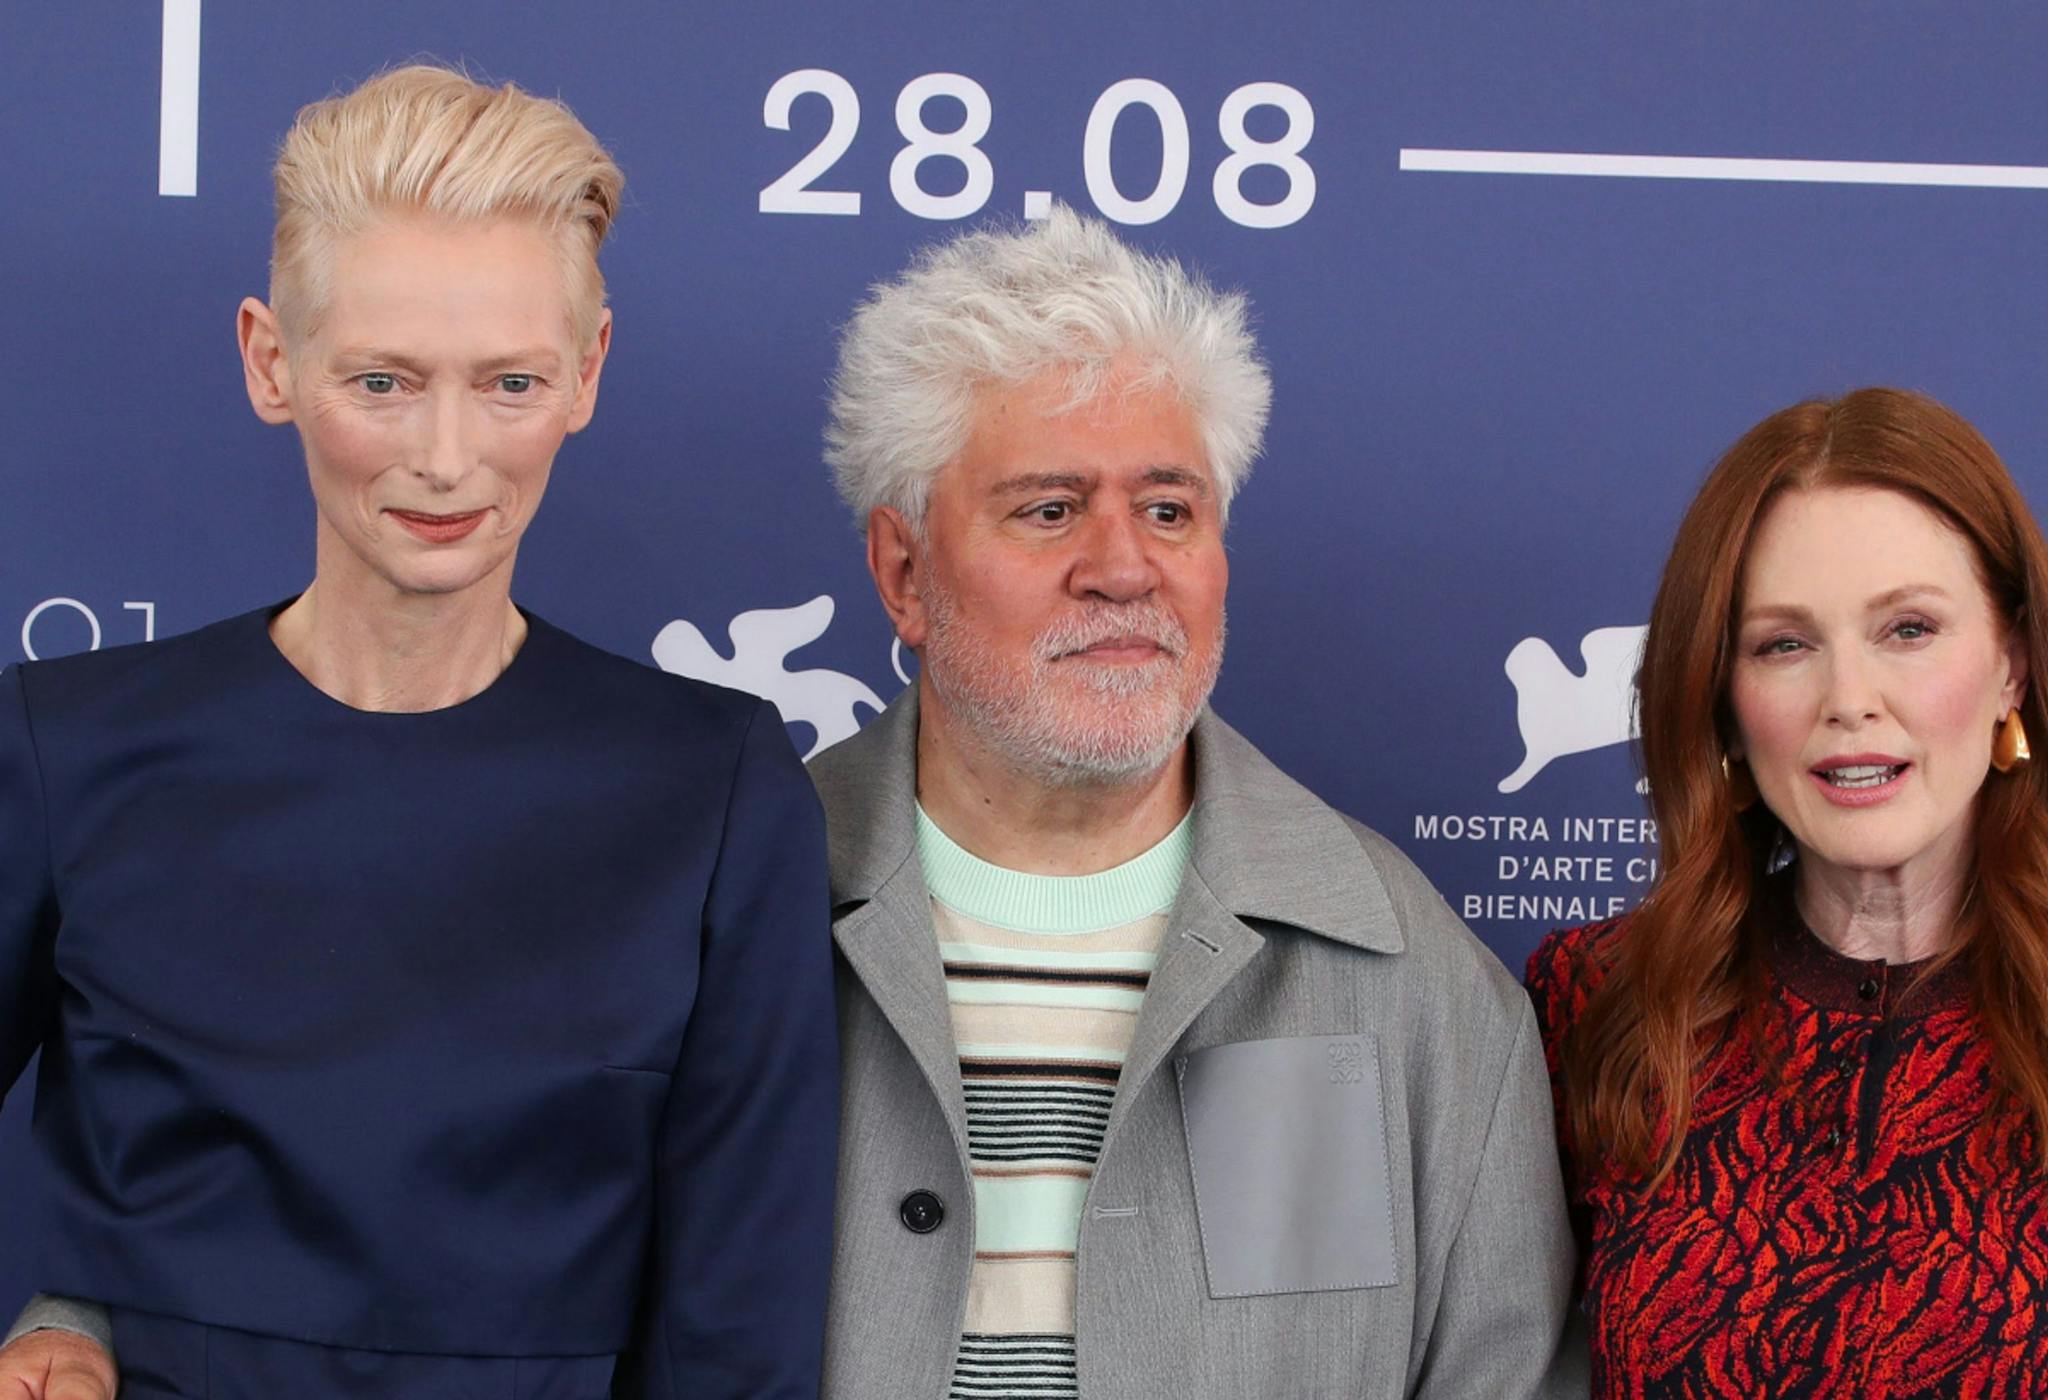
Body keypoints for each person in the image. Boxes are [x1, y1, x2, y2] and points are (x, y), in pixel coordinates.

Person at [0, 65, 837, 1399]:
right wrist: (47, 1319)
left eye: (509, 383)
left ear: (588, 372)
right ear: (272, 363)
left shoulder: (714, 794)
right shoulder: (67, 751)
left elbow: (736, 1337)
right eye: (382, 382)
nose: (446, 457)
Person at [810, 207, 1581, 1398]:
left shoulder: (1405, 972)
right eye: (1048, 508)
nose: (1123, 568)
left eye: (1167, 508)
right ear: (903, 572)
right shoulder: (731, 912)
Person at [1527, 387, 2048, 1397]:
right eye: (1783, 643)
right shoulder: (1593, 1005)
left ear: (2009, 668)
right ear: (1720, 696)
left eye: (1906, 627)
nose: (1847, 698)